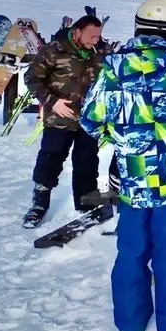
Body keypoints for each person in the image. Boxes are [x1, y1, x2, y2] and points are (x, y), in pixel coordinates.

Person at [81, 0, 166, 331]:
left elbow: (90, 121)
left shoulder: (113, 67)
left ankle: (130, 324)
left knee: (132, 248)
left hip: (132, 179)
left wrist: (121, 136)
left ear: (138, 26)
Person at [23, 14, 107, 228]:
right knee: (50, 159)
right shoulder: (54, 50)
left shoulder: (101, 51)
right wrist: (52, 100)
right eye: (91, 36)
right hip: (59, 118)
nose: (95, 41)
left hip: (89, 119)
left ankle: (87, 203)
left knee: (87, 161)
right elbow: (32, 78)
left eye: (98, 36)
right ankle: (39, 204)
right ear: (77, 31)